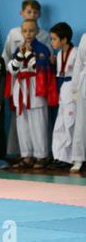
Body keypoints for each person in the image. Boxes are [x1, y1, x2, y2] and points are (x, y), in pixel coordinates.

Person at [2, 0, 53, 159]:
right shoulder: (18, 48)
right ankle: (26, 155)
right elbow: (12, 67)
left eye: (31, 31)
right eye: (25, 31)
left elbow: (42, 67)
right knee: (22, 124)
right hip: (20, 89)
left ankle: (41, 155)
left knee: (38, 124)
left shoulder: (43, 48)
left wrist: (30, 55)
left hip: (36, 89)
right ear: (21, 32)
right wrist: (20, 56)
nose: (28, 34)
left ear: (37, 32)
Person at [49, 23, 77, 169]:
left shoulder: (77, 52)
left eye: (54, 39)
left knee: (70, 125)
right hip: (62, 92)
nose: (52, 42)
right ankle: (59, 156)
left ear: (64, 39)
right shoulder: (59, 54)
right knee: (59, 125)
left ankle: (70, 158)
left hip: (73, 92)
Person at [71, 33, 86, 172]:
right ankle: (78, 158)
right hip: (84, 84)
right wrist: (75, 88)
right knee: (81, 123)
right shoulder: (85, 37)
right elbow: (79, 63)